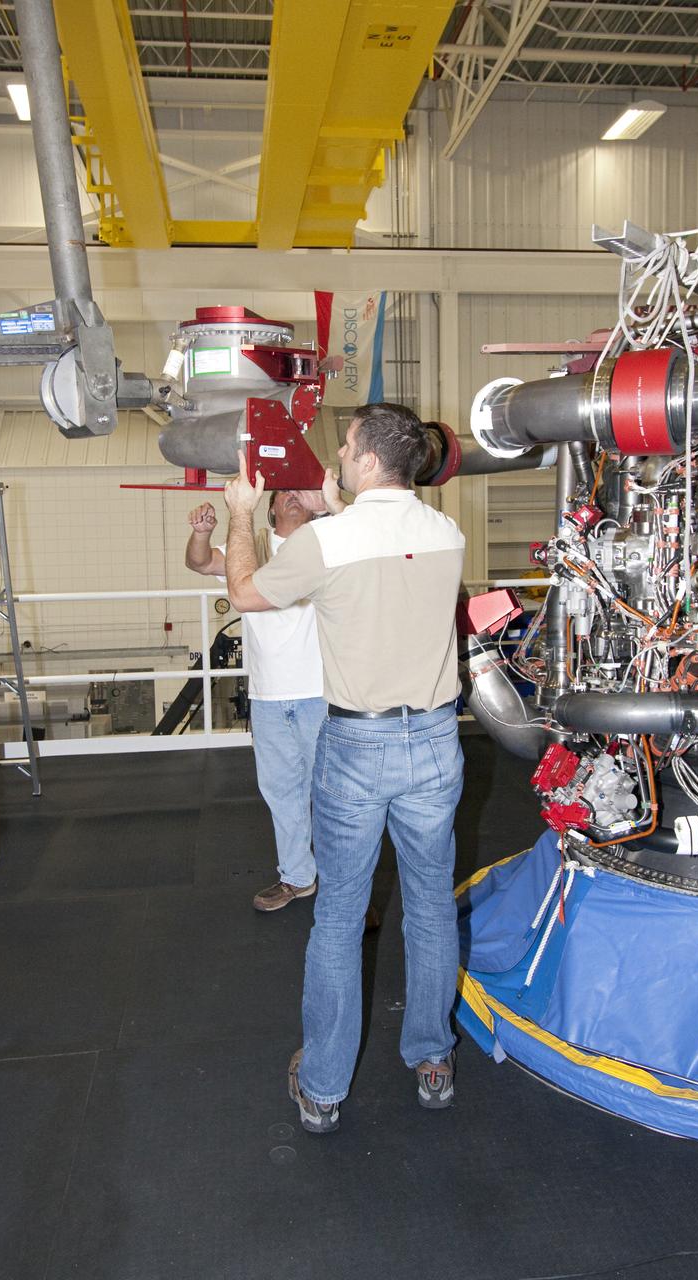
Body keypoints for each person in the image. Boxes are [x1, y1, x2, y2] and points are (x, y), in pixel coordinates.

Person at [222, 402, 466, 1134]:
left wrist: (241, 515)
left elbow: (243, 592)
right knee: (429, 906)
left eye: (345, 445)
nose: (335, 453)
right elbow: (379, 545)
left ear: (364, 463)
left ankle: (325, 1087)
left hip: (357, 748)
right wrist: (338, 508)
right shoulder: (444, 532)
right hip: (434, 743)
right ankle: (432, 1056)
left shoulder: (329, 541)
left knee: (335, 917)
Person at [185, 489, 328, 912]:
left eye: (299, 491)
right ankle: (298, 878)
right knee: (282, 792)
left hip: (323, 694)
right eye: (283, 493)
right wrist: (202, 532)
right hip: (267, 697)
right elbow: (199, 561)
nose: (292, 497)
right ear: (268, 508)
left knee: (334, 797)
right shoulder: (252, 548)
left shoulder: (328, 543)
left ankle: (346, 888)